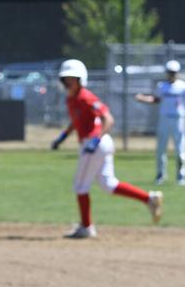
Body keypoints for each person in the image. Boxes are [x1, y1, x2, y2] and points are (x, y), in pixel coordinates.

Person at [51, 59, 162, 239]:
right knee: (108, 184)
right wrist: (62, 138)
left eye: (72, 79)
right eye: (65, 79)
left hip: (95, 144)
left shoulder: (85, 97)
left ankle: (86, 227)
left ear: (81, 80)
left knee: (80, 186)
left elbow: (108, 119)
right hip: (95, 144)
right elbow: (76, 122)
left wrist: (95, 139)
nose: (68, 82)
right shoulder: (72, 99)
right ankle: (149, 198)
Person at [135, 59, 185, 186]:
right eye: (170, 72)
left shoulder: (183, 86)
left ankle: (181, 176)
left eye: (174, 72)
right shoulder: (161, 86)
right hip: (164, 119)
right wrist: (143, 98)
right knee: (161, 149)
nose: (172, 75)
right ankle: (161, 175)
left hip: (178, 119)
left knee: (180, 149)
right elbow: (155, 99)